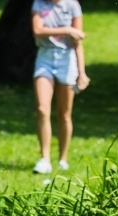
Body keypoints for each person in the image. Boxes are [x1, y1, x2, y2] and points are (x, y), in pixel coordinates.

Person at [31, 0, 89, 174]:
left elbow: (77, 41)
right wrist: (67, 29)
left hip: (67, 59)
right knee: (42, 109)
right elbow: (37, 30)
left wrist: (82, 71)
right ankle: (45, 159)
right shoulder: (39, 4)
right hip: (45, 58)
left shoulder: (72, 6)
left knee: (64, 114)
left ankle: (63, 159)